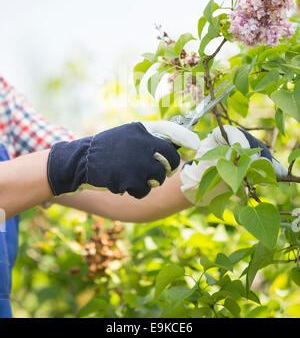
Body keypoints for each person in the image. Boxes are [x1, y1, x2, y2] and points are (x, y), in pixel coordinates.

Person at [0, 75, 286, 317]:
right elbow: (63, 166)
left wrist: (205, 174)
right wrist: (74, 161)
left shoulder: (4, 103)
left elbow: (105, 189)